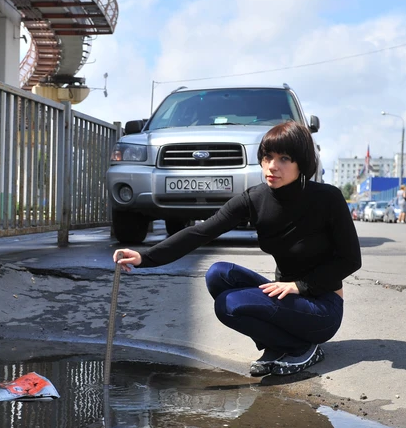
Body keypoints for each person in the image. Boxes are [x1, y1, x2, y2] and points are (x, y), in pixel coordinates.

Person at [113, 121, 361, 376]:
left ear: (302, 162)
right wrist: (145, 257)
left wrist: (301, 286)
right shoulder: (256, 198)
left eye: (284, 158)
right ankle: (280, 344)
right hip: (286, 299)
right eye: (268, 157)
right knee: (218, 274)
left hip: (322, 308)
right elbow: (202, 231)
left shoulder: (327, 198)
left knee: (229, 304)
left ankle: (301, 347)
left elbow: (350, 260)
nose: (272, 166)